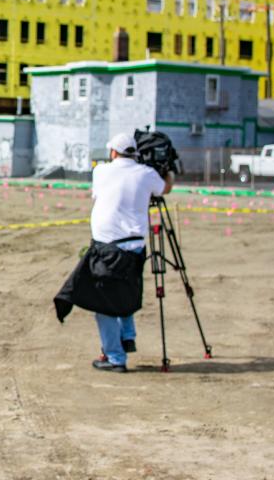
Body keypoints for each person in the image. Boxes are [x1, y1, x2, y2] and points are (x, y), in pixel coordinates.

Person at [89, 132, 172, 373]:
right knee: (126, 293)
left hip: (107, 248)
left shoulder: (101, 171)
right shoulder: (147, 174)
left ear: (113, 152)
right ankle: (127, 336)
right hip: (135, 248)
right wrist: (169, 169)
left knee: (103, 305)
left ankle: (116, 357)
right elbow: (164, 188)